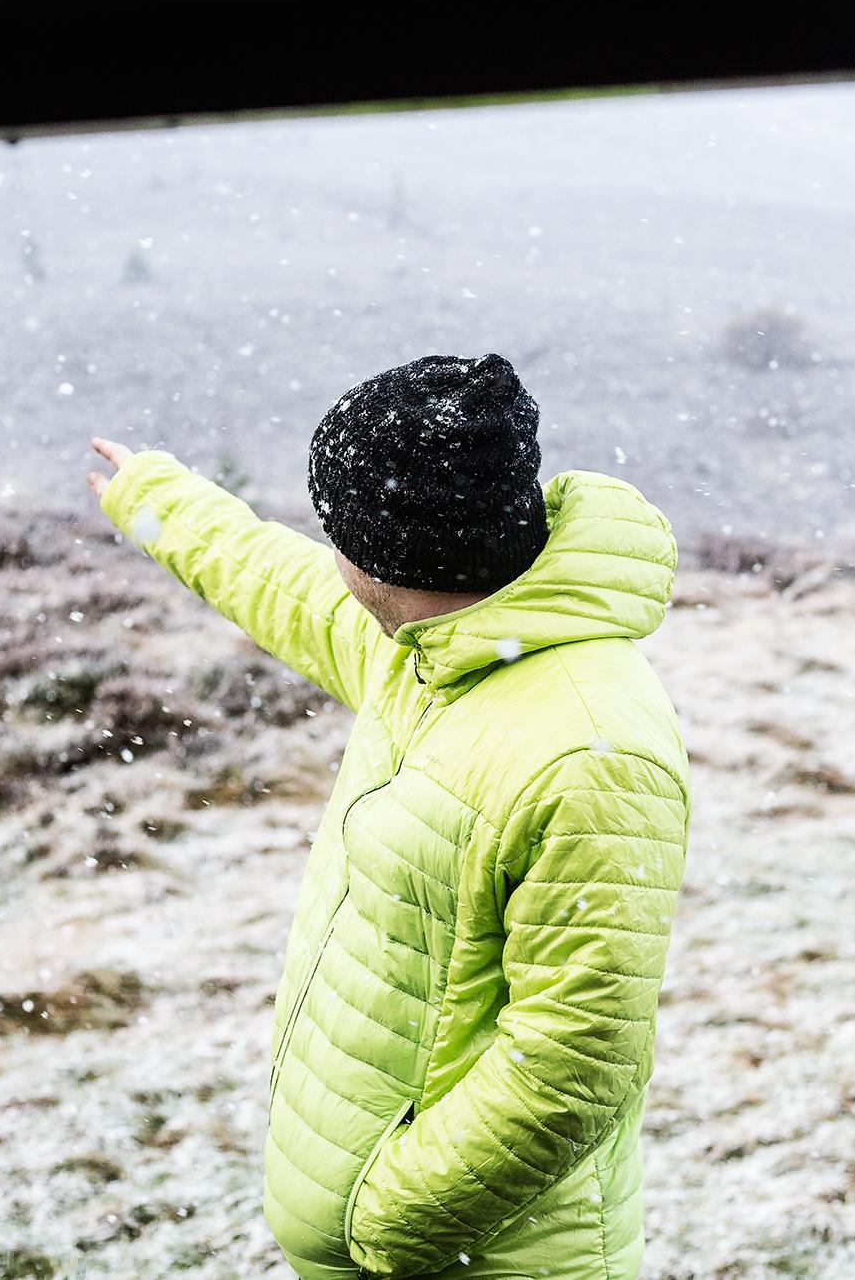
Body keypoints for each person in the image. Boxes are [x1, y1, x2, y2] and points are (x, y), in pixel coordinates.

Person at [87, 353, 690, 1280]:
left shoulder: (589, 751)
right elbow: (278, 582)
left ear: (381, 553)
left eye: (334, 525)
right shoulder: (433, 646)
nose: (325, 551)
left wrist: (390, 1225)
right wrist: (154, 500)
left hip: (480, 1258)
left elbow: (574, 1068)